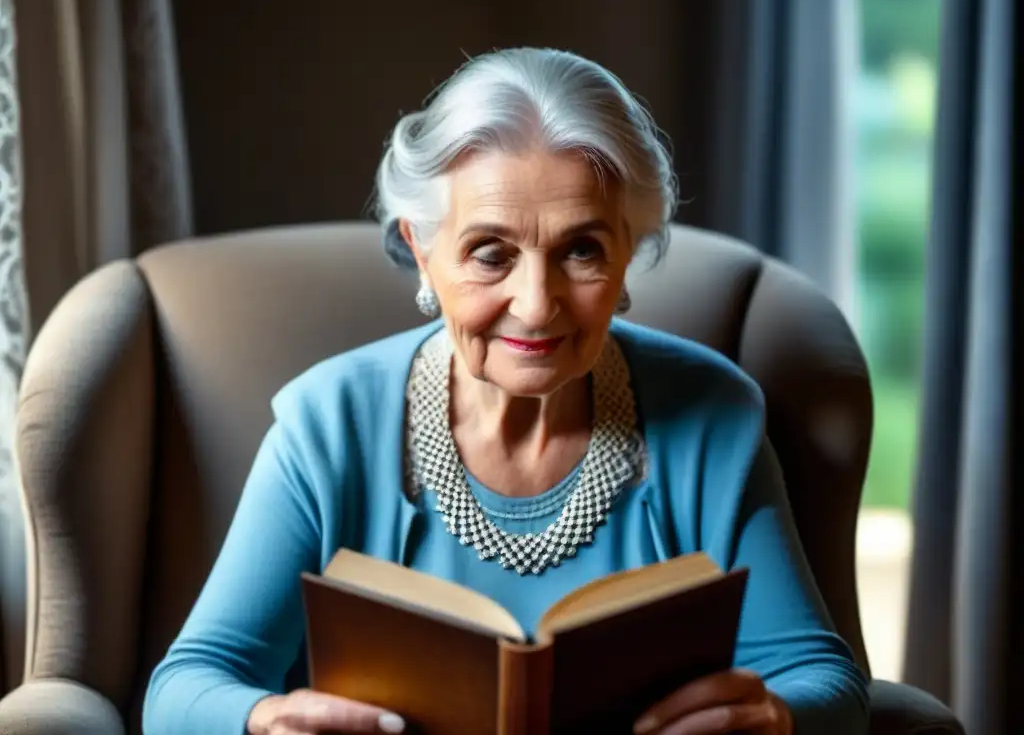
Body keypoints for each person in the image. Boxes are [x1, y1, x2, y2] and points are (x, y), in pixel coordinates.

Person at [143, 47, 869, 735]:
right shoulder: (326, 427)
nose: (537, 304)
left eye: (581, 251)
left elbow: (824, 679)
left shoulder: (714, 418)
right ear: (423, 253)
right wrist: (261, 721)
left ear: (627, 255)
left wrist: (776, 719)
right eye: (491, 254)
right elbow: (183, 688)